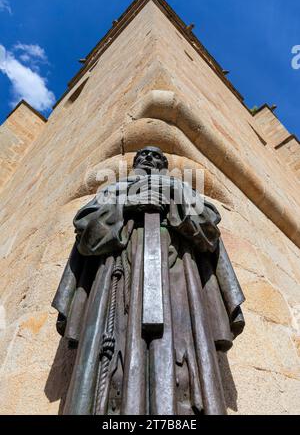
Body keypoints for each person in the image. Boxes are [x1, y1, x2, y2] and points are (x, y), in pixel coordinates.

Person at [52, 146, 245, 415]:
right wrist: (129, 204)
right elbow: (86, 229)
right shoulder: (114, 189)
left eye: (157, 157)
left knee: (182, 362)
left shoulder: (181, 189)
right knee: (111, 364)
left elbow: (209, 228)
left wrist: (170, 204)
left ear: (165, 165)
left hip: (179, 276)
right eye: (144, 157)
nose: (150, 160)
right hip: (117, 275)